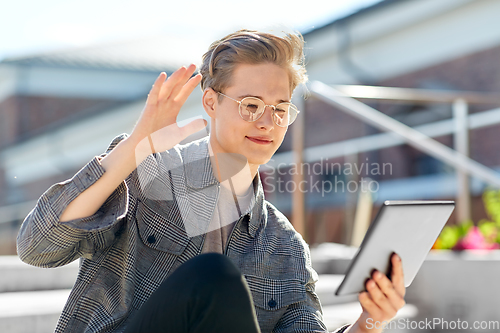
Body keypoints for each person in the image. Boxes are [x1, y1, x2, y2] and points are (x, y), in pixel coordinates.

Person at [17, 29, 406, 333]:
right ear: (210, 102)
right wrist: (134, 148)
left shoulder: (284, 247)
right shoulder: (147, 173)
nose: (266, 122)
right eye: (250, 105)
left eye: (280, 109)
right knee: (213, 277)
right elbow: (36, 247)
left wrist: (370, 321)